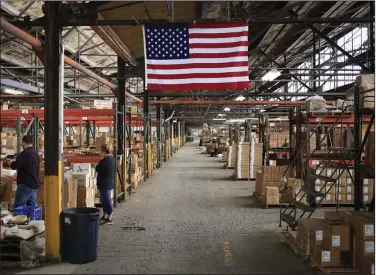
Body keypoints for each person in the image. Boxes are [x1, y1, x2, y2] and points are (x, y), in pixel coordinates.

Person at [4, 135, 40, 209]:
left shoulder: (25, 154)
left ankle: (17, 220)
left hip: (26, 185)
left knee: (18, 207)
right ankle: (32, 220)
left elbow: (15, 165)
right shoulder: (35, 154)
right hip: (34, 184)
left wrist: (8, 162)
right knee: (31, 208)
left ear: (23, 142)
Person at [95, 144, 115, 225]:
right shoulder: (109, 159)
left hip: (105, 183)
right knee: (103, 199)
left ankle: (110, 215)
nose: (100, 152)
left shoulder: (107, 160)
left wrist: (100, 161)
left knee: (106, 199)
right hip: (105, 182)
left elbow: (98, 168)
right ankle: (105, 214)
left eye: (101, 151)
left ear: (104, 151)